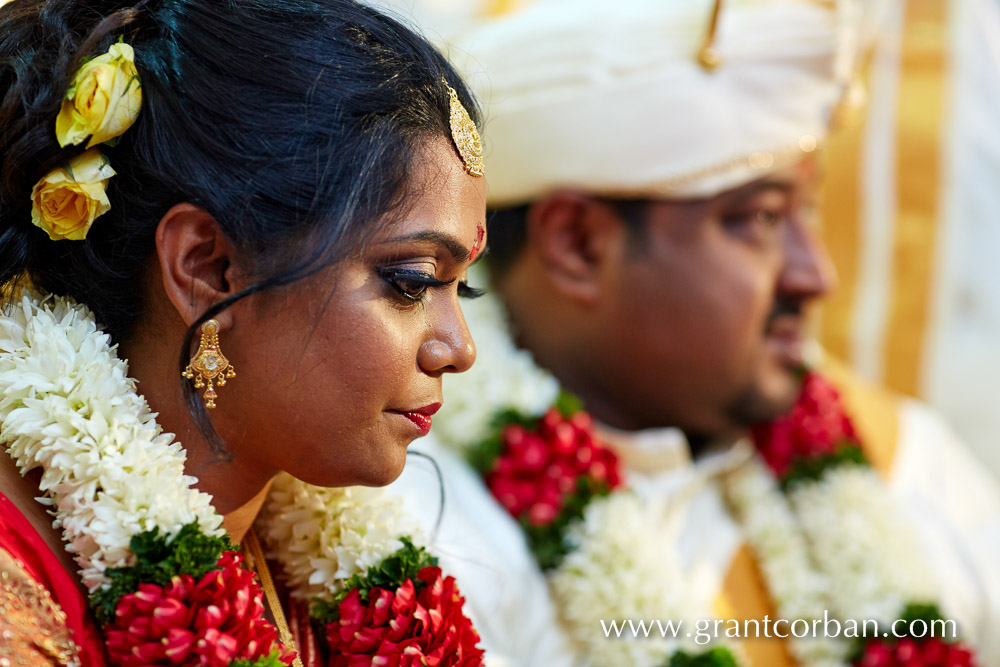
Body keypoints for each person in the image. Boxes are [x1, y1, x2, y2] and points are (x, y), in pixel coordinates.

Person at [388, 0, 1000, 664]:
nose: (814, 273)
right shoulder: (429, 540)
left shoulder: (912, 470)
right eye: (759, 219)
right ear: (579, 244)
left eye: (809, 209)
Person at [0, 0, 488, 664]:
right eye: (411, 280)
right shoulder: (15, 598)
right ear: (208, 268)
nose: (459, 348)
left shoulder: (319, 579)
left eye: (466, 285)